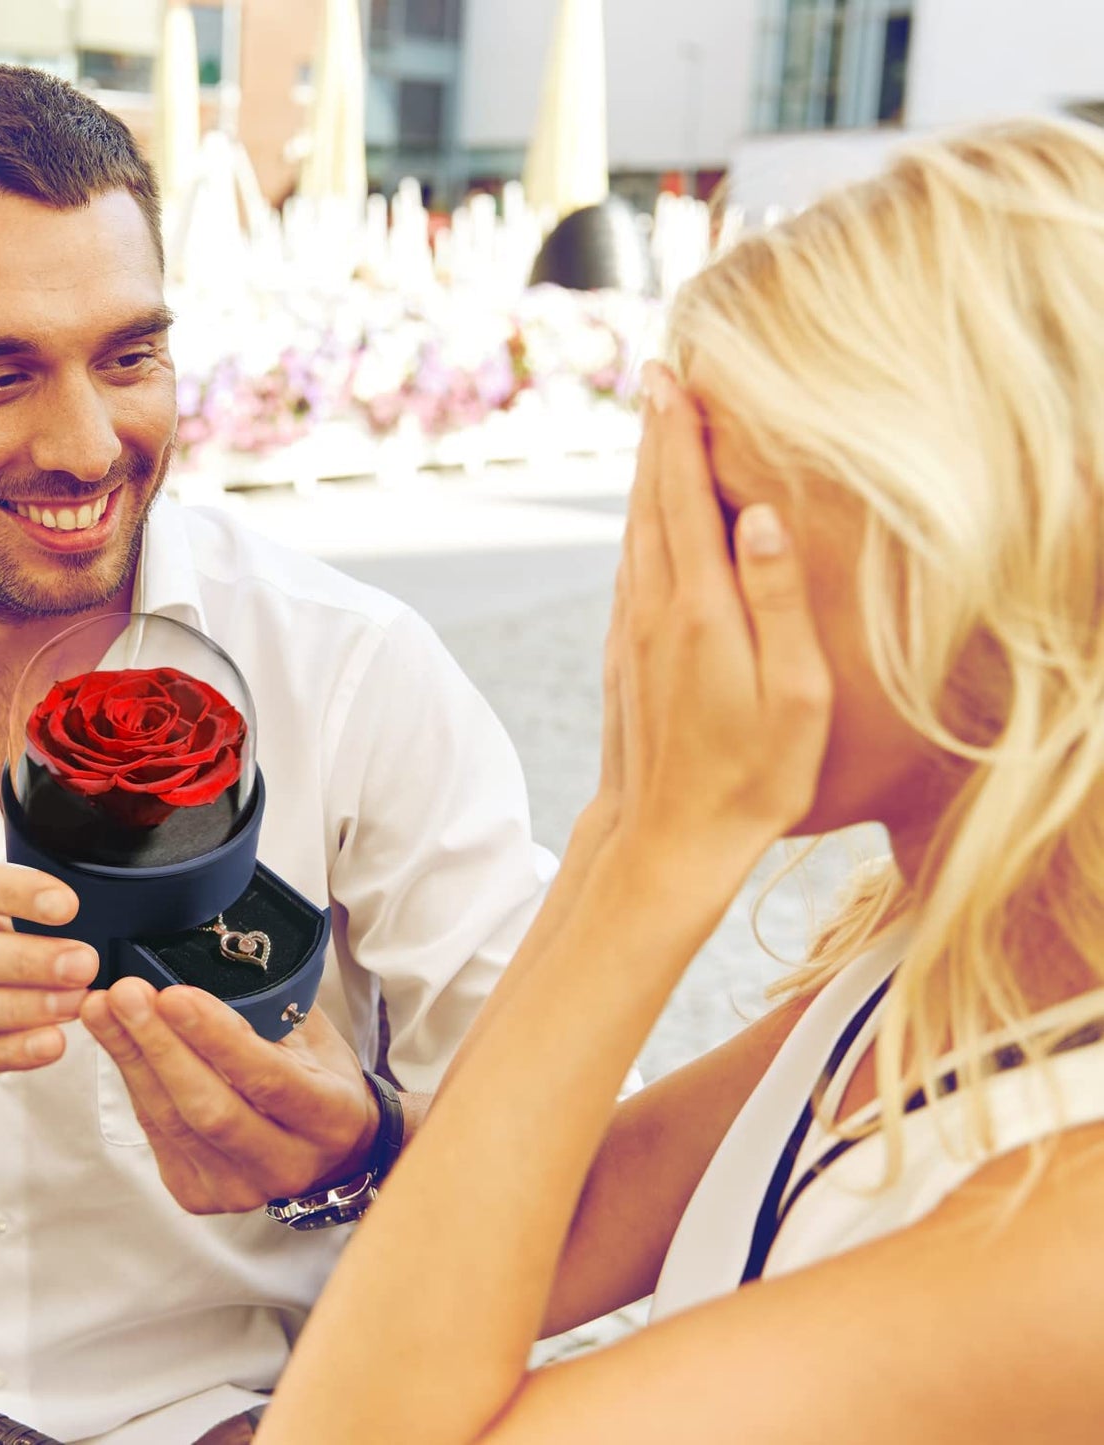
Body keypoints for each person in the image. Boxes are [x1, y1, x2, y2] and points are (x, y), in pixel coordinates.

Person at [157, 117, 1104, 1441]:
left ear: (986, 550)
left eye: (714, 521)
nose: (656, 600)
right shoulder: (954, 950)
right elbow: (571, 1220)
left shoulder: (1068, 1245)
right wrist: (359, 1138)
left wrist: (656, 851)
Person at [0, 66, 556, 1444]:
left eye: (128, 356)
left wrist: (354, 1148)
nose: (86, 444)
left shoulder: (352, 666)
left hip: (237, 1417)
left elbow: (568, 1175)